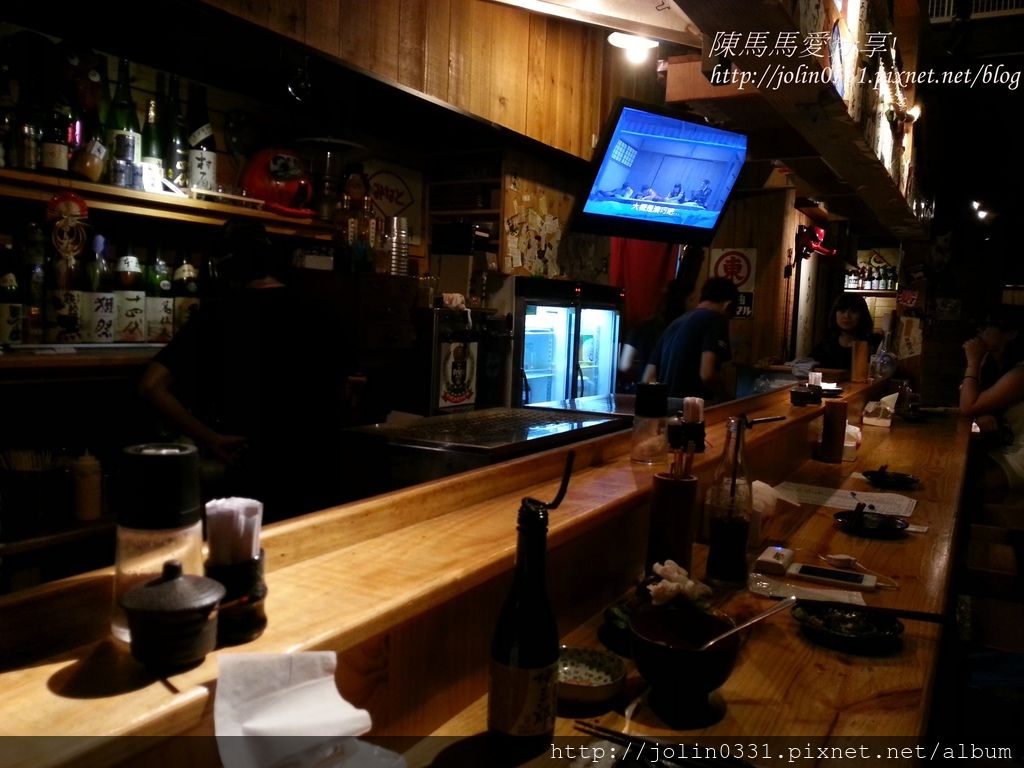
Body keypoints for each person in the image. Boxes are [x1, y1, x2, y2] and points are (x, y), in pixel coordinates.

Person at [137, 219, 347, 522]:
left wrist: (209, 438)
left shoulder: (216, 316)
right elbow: (343, 388)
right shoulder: (320, 312)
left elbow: (151, 386)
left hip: (249, 470)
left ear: (224, 268)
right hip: (319, 469)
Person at [958, 307, 1024, 501]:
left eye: (989, 325)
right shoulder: (997, 365)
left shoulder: (1020, 373)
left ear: (1011, 334)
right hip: (1008, 446)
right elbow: (969, 399)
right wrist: (981, 412)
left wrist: (973, 362)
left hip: (1020, 453)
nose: (980, 329)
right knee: (959, 469)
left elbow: (968, 406)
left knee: (965, 487)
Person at [643, 276, 739, 401]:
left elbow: (648, 377)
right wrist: (728, 399)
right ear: (727, 305)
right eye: (730, 315)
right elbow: (707, 374)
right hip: (693, 408)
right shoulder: (716, 319)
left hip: (665, 407)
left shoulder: (675, 324)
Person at [617, 278, 688, 393]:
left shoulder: (640, 328)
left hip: (646, 391)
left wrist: (641, 365)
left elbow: (624, 365)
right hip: (675, 391)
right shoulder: (682, 330)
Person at [810, 293, 883, 369]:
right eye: (842, 311)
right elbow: (809, 368)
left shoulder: (874, 343)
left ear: (862, 315)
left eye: (853, 311)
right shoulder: (825, 346)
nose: (846, 315)